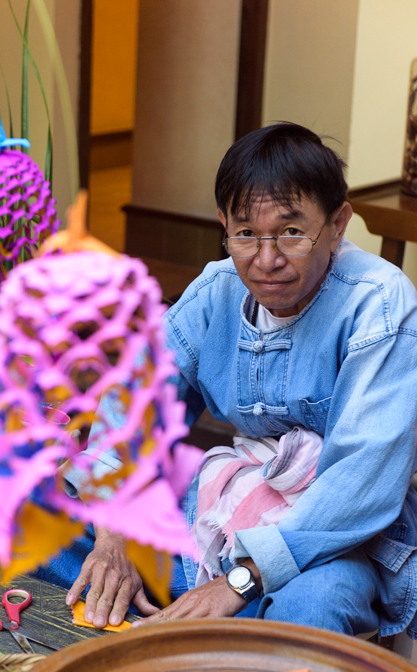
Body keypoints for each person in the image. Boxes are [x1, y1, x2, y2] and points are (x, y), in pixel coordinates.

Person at [59, 122, 417, 639]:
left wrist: (239, 580)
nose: (266, 260)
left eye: (292, 232)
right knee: (36, 514)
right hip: (224, 509)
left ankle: (194, 622)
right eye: (246, 233)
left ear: (338, 225)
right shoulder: (217, 289)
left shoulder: (380, 304)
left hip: (333, 539)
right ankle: (201, 625)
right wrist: (113, 536)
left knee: (313, 610)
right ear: (224, 224)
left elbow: (360, 485)